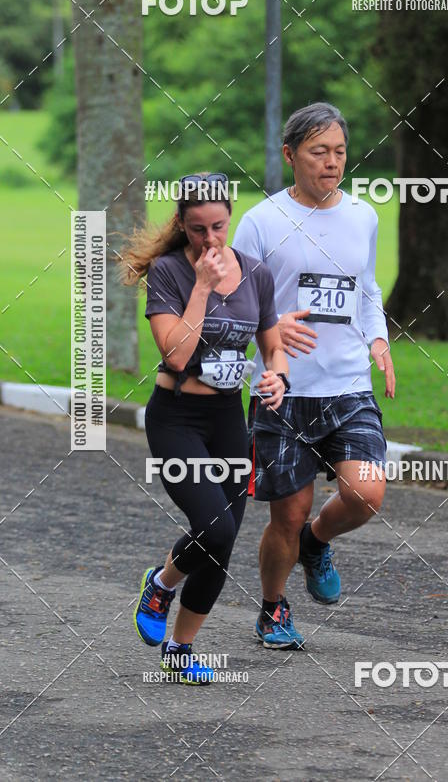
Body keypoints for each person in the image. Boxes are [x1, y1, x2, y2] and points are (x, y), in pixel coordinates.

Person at [233, 103, 395, 649]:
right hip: (284, 391)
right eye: (318, 152)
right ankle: (273, 609)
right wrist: (271, 321)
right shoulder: (261, 221)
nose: (332, 163)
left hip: (349, 383)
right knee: (288, 512)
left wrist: (378, 338)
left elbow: (367, 288)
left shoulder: (363, 217)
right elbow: (233, 302)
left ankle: (317, 541)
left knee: (367, 492)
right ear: (290, 156)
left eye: (340, 152)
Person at [120, 172, 290, 682]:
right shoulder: (171, 273)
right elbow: (175, 351)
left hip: (226, 420)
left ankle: (179, 650)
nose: (210, 240)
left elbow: (273, 345)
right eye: (198, 230)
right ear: (183, 225)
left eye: (218, 227)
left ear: (230, 218)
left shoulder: (256, 274)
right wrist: (202, 287)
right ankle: (162, 583)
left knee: (224, 537)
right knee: (214, 525)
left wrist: (277, 375)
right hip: (176, 418)